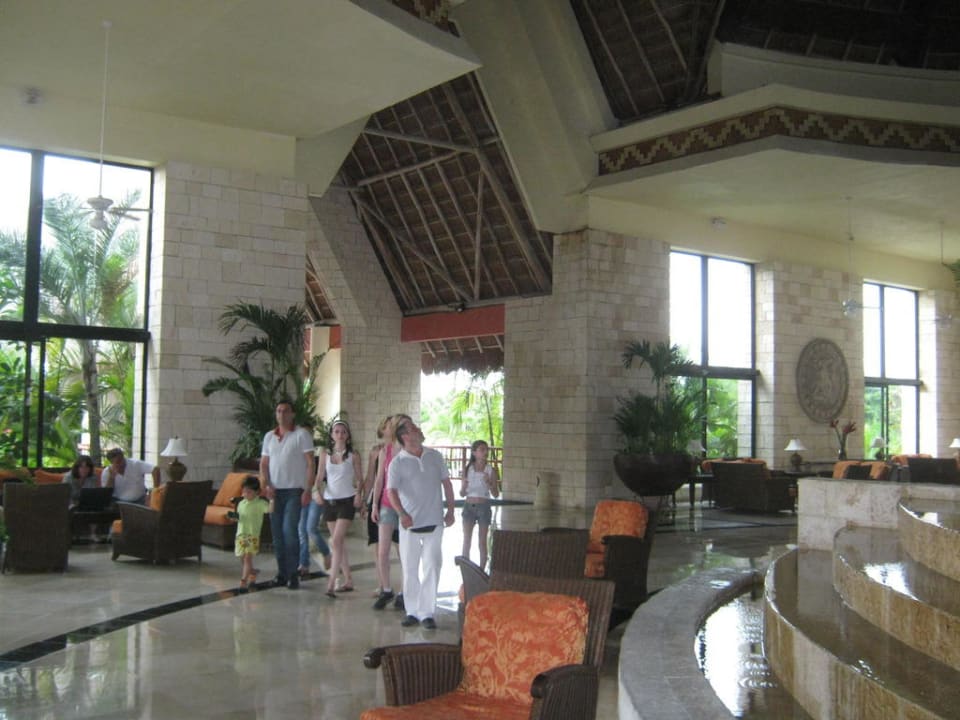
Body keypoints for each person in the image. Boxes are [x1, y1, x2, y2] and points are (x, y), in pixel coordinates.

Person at [386, 418, 455, 630]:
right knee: (410, 568)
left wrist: (451, 510)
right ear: (405, 436)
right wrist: (402, 513)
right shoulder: (397, 462)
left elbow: (447, 483)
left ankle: (427, 612)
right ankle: (412, 612)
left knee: (432, 565)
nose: (419, 430)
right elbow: (391, 491)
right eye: (414, 428)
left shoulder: (434, 456)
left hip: (434, 522)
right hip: (410, 525)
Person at [260, 400, 315, 590]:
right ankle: (281, 573)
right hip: (275, 492)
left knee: (289, 531)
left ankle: (293, 574)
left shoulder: (301, 435)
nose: (281, 414)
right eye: (278, 411)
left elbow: (310, 463)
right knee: (277, 535)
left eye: (285, 411)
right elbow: (264, 464)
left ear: (292, 414)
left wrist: (308, 489)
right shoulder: (269, 436)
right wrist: (266, 485)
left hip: (294, 491)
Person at [316, 420, 364, 598]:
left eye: (343, 432)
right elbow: (319, 476)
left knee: (335, 541)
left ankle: (331, 582)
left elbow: (359, 478)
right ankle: (348, 579)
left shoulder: (353, 455)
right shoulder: (324, 454)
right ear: (331, 435)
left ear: (348, 435)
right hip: (330, 501)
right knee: (339, 543)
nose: (340, 435)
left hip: (347, 501)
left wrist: (359, 494)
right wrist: (316, 491)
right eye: (336, 431)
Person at [370, 414, 410, 611]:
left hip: (404, 505)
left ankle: (404, 592)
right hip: (387, 504)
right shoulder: (385, 451)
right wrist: (374, 505)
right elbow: (379, 480)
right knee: (382, 550)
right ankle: (386, 589)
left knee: (403, 551)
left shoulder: (409, 451)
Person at [460, 439, 500, 570]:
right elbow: (462, 493)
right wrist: (464, 487)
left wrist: (489, 483)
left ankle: (481, 569)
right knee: (467, 539)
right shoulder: (468, 469)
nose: (485, 452)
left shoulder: (490, 470)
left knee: (482, 541)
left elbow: (496, 494)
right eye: (482, 450)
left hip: (484, 506)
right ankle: (466, 568)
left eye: (486, 449)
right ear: (474, 453)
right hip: (469, 506)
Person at [227, 475, 270, 592]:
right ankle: (252, 572)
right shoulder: (241, 503)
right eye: (244, 491)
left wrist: (272, 499)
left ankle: (243, 581)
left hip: (252, 535)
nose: (245, 494)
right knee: (242, 557)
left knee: (247, 558)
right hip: (241, 534)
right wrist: (234, 518)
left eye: (249, 492)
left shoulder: (260, 503)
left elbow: (270, 509)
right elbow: (240, 517)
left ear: (257, 492)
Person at [298, 458, 332, 579]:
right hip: (303, 494)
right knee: (301, 530)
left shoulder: (317, 457)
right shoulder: (298, 459)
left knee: (311, 528)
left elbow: (323, 476)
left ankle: (326, 552)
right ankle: (304, 564)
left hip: (317, 494)